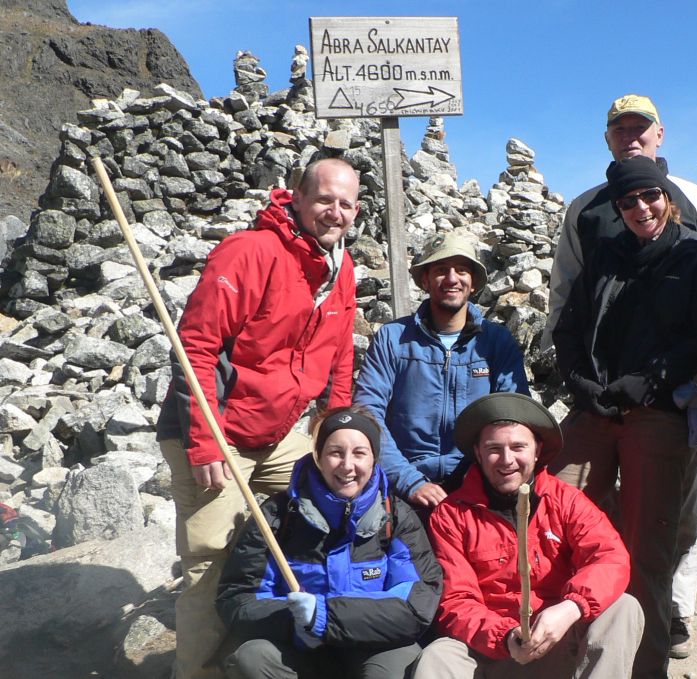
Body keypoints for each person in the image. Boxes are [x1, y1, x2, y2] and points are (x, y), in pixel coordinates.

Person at [156, 157, 361, 679]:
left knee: (326, 508)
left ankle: (284, 645)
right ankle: (197, 671)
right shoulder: (250, 252)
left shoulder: (340, 268)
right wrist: (204, 444)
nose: (334, 213)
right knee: (211, 559)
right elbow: (196, 349)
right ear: (296, 197)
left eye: (346, 204)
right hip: (216, 430)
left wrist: (332, 435)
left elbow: (338, 357)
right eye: (324, 200)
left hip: (276, 435)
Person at [545, 95, 697, 657]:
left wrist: (656, 382)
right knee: (561, 511)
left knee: (658, 531)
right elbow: (569, 312)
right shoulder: (596, 236)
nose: (641, 207)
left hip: (664, 402)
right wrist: (578, 381)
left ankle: (649, 650)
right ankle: (565, 640)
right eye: (630, 199)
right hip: (597, 405)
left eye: (651, 195)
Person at [418, 392, 643, 678]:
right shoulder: (450, 515)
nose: (507, 459)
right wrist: (505, 636)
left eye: (518, 447)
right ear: (478, 453)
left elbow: (610, 557)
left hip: (557, 641)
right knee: (437, 657)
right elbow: (455, 601)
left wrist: (572, 607)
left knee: (623, 608)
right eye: (494, 448)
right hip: (490, 650)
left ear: (537, 450)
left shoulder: (567, 501)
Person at [216, 406, 443, 679]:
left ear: (374, 460)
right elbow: (237, 599)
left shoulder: (396, 517)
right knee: (252, 658)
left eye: (359, 453)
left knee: (401, 666)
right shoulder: (278, 516)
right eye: (335, 452)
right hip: (301, 650)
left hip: (373, 647)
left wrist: (323, 615)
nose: (347, 465)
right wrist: (293, 621)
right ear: (319, 457)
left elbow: (416, 606)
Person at [354, 230, 529, 511]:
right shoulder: (392, 338)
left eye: (461, 270)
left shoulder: (496, 341)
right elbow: (368, 413)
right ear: (425, 280)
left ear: (473, 283)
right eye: (440, 270)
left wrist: (477, 480)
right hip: (404, 482)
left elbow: (513, 417)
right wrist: (409, 480)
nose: (451, 278)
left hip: (477, 483)